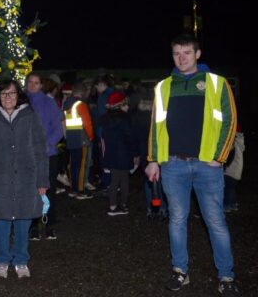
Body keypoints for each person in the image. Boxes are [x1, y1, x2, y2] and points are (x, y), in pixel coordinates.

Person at [145, 34, 239, 295]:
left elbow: (230, 123)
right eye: (177, 53)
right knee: (176, 220)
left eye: (187, 52)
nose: (182, 58)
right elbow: (155, 126)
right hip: (173, 165)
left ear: (197, 54)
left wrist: (218, 157)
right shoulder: (164, 86)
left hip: (207, 166)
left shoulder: (216, 83)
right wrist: (153, 160)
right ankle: (180, 271)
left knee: (216, 222)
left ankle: (226, 276)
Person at [0, 78, 48, 279]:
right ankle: (1, 260)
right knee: (1, 221)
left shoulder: (30, 116)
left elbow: (40, 150)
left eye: (12, 93)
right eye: (4, 94)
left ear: (19, 95)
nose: (8, 97)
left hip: (27, 178)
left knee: (24, 221)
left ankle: (21, 260)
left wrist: (42, 180)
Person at [25, 73, 64, 240]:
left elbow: (58, 128)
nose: (33, 85)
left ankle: (49, 224)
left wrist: (48, 145)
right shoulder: (21, 102)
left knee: (48, 190)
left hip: (48, 154)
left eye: (36, 83)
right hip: (26, 155)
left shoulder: (48, 103)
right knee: (29, 190)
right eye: (30, 82)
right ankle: (32, 226)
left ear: (41, 85)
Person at [98, 91, 135, 216]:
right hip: (124, 154)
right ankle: (123, 205)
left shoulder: (105, 120)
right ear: (120, 105)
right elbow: (130, 137)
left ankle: (112, 206)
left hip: (111, 154)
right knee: (124, 181)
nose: (128, 107)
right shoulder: (125, 119)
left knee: (113, 181)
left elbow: (102, 137)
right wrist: (135, 154)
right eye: (126, 105)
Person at [62, 81, 94, 199]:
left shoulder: (66, 103)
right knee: (81, 164)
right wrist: (90, 136)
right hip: (82, 138)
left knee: (73, 164)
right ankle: (80, 190)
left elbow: (64, 121)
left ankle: (73, 188)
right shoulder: (81, 104)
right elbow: (87, 123)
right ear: (82, 92)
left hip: (71, 137)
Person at [223, 124, 244, 213]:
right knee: (232, 188)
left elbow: (231, 157)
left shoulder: (234, 143)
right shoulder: (240, 141)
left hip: (231, 170)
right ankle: (232, 204)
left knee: (228, 188)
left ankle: (227, 205)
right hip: (237, 170)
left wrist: (226, 166)